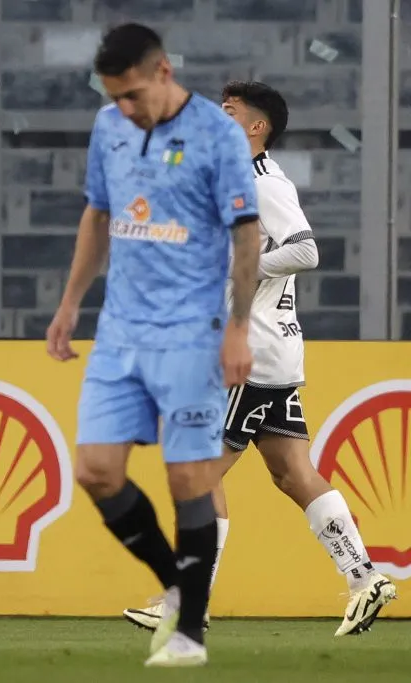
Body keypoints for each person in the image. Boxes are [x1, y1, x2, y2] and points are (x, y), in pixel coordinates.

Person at [123, 81, 396, 637]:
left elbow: (305, 249)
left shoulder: (260, 181)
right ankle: (364, 577)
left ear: (255, 127)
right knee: (292, 472)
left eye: (227, 112)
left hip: (248, 352)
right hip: (269, 352)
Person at [45, 24, 261, 667]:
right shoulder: (108, 126)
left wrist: (238, 328)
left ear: (164, 71)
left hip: (190, 333)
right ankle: (178, 585)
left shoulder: (218, 136)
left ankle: (190, 633)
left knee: (188, 476)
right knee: (95, 471)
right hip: (119, 332)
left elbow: (246, 237)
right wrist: (70, 302)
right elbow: (98, 215)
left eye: (134, 94)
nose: (126, 108)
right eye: (115, 97)